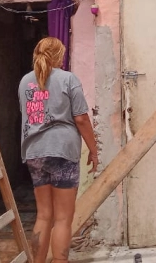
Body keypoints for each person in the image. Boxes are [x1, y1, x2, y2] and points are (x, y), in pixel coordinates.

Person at [19, 37, 99, 263]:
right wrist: (93, 150)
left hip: (34, 152)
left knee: (44, 215)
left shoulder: (25, 82)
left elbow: (28, 116)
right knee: (63, 218)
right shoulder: (68, 79)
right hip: (62, 150)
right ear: (57, 56)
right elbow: (81, 119)